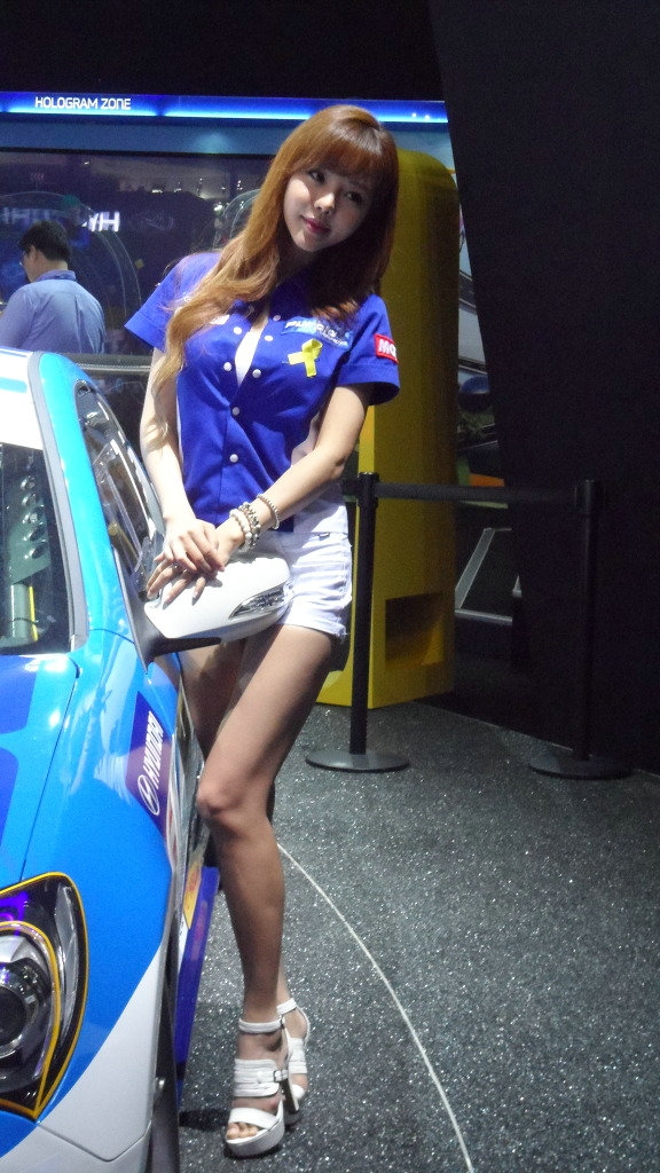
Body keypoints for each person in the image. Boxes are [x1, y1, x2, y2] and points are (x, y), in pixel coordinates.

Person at [125, 104, 400, 1159]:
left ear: (368, 216)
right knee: (241, 805)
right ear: (288, 172)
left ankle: (254, 1033)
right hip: (201, 562)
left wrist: (242, 521)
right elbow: (157, 418)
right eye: (319, 179)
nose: (327, 205)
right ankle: (282, 1002)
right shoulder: (196, 277)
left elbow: (332, 454)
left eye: (355, 196)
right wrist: (182, 519)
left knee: (224, 792)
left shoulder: (357, 312)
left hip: (300, 560)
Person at [0, 219, 105, 353]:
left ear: (33, 252)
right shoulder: (93, 304)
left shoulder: (29, 296)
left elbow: (2, 352)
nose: (24, 267)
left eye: (23, 260)